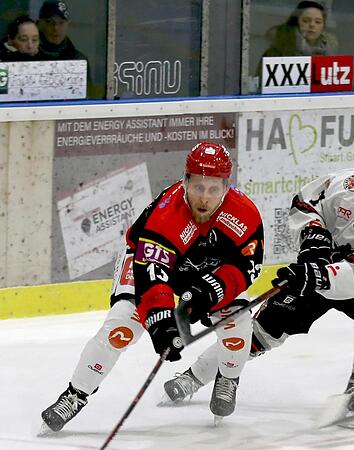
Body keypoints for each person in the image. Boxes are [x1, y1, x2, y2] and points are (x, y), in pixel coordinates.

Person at [161, 149, 354, 424]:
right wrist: (314, 239)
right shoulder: (350, 185)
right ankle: (194, 376)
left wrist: (319, 275)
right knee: (262, 329)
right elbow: (305, 201)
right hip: (320, 266)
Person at [40, 142, 265, 432]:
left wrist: (210, 290)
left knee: (238, 322)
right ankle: (76, 394)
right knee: (121, 326)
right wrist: (161, 323)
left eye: (213, 189)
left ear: (226, 186)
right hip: (144, 261)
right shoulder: (167, 214)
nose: (204, 198)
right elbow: (152, 276)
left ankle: (228, 377)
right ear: (185, 181)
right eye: (198, 187)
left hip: (206, 271)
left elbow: (246, 266)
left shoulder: (244, 214)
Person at [262, 0, 338, 57]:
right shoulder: (278, 49)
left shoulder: (328, 47)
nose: (312, 25)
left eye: (318, 22)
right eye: (306, 21)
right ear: (296, 23)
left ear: (323, 26)